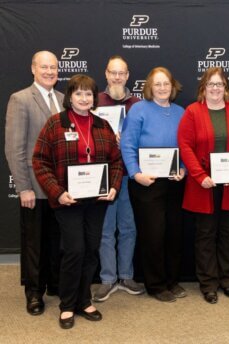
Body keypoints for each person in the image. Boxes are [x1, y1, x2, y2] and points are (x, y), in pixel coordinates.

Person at [32, 74, 124, 329]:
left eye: (88, 94)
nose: (84, 98)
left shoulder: (102, 125)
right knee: (74, 250)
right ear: (69, 96)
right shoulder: (55, 124)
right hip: (67, 201)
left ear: (94, 98)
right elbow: (39, 161)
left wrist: (113, 187)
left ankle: (84, 300)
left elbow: (116, 161)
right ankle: (67, 304)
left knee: (91, 249)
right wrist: (57, 192)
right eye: (78, 93)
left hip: (96, 201)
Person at [177, 67, 229, 304]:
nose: (215, 88)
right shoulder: (192, 111)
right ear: (203, 88)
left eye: (220, 84)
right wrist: (199, 176)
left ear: (226, 88)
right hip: (203, 185)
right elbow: (185, 145)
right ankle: (208, 283)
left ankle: (227, 280)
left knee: (228, 234)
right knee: (206, 235)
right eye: (211, 84)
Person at [120, 67, 187, 302]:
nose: (162, 88)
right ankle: (156, 285)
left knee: (173, 234)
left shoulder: (181, 112)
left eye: (166, 83)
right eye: (157, 84)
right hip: (146, 184)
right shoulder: (139, 109)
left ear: (173, 86)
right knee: (153, 235)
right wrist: (135, 173)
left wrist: (183, 169)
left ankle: (171, 280)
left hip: (174, 182)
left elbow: (187, 147)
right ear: (149, 86)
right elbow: (127, 145)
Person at [5, 50, 63, 316]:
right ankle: (33, 293)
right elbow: (14, 148)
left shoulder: (63, 99)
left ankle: (54, 284)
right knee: (33, 242)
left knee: (55, 239)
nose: (50, 71)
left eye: (53, 67)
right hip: (35, 187)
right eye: (44, 67)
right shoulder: (20, 99)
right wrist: (23, 187)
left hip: (61, 188)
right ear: (33, 69)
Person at [95, 55, 144, 302]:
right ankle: (107, 279)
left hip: (128, 176)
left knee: (128, 228)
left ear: (127, 76)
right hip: (103, 176)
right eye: (112, 72)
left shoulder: (137, 104)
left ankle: (126, 275)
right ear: (106, 74)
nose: (116, 77)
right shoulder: (93, 101)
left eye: (121, 73)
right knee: (105, 230)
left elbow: (144, 138)